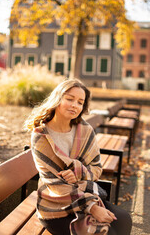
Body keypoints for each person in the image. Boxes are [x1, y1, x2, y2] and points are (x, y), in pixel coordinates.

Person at [25, 79, 132, 235]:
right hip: (55, 205)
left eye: (80, 102)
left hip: (84, 193)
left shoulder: (85, 131)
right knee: (106, 232)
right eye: (70, 99)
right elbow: (53, 184)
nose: (75, 105)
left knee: (123, 219)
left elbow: (96, 169)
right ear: (58, 98)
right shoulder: (41, 136)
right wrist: (92, 207)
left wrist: (78, 171)